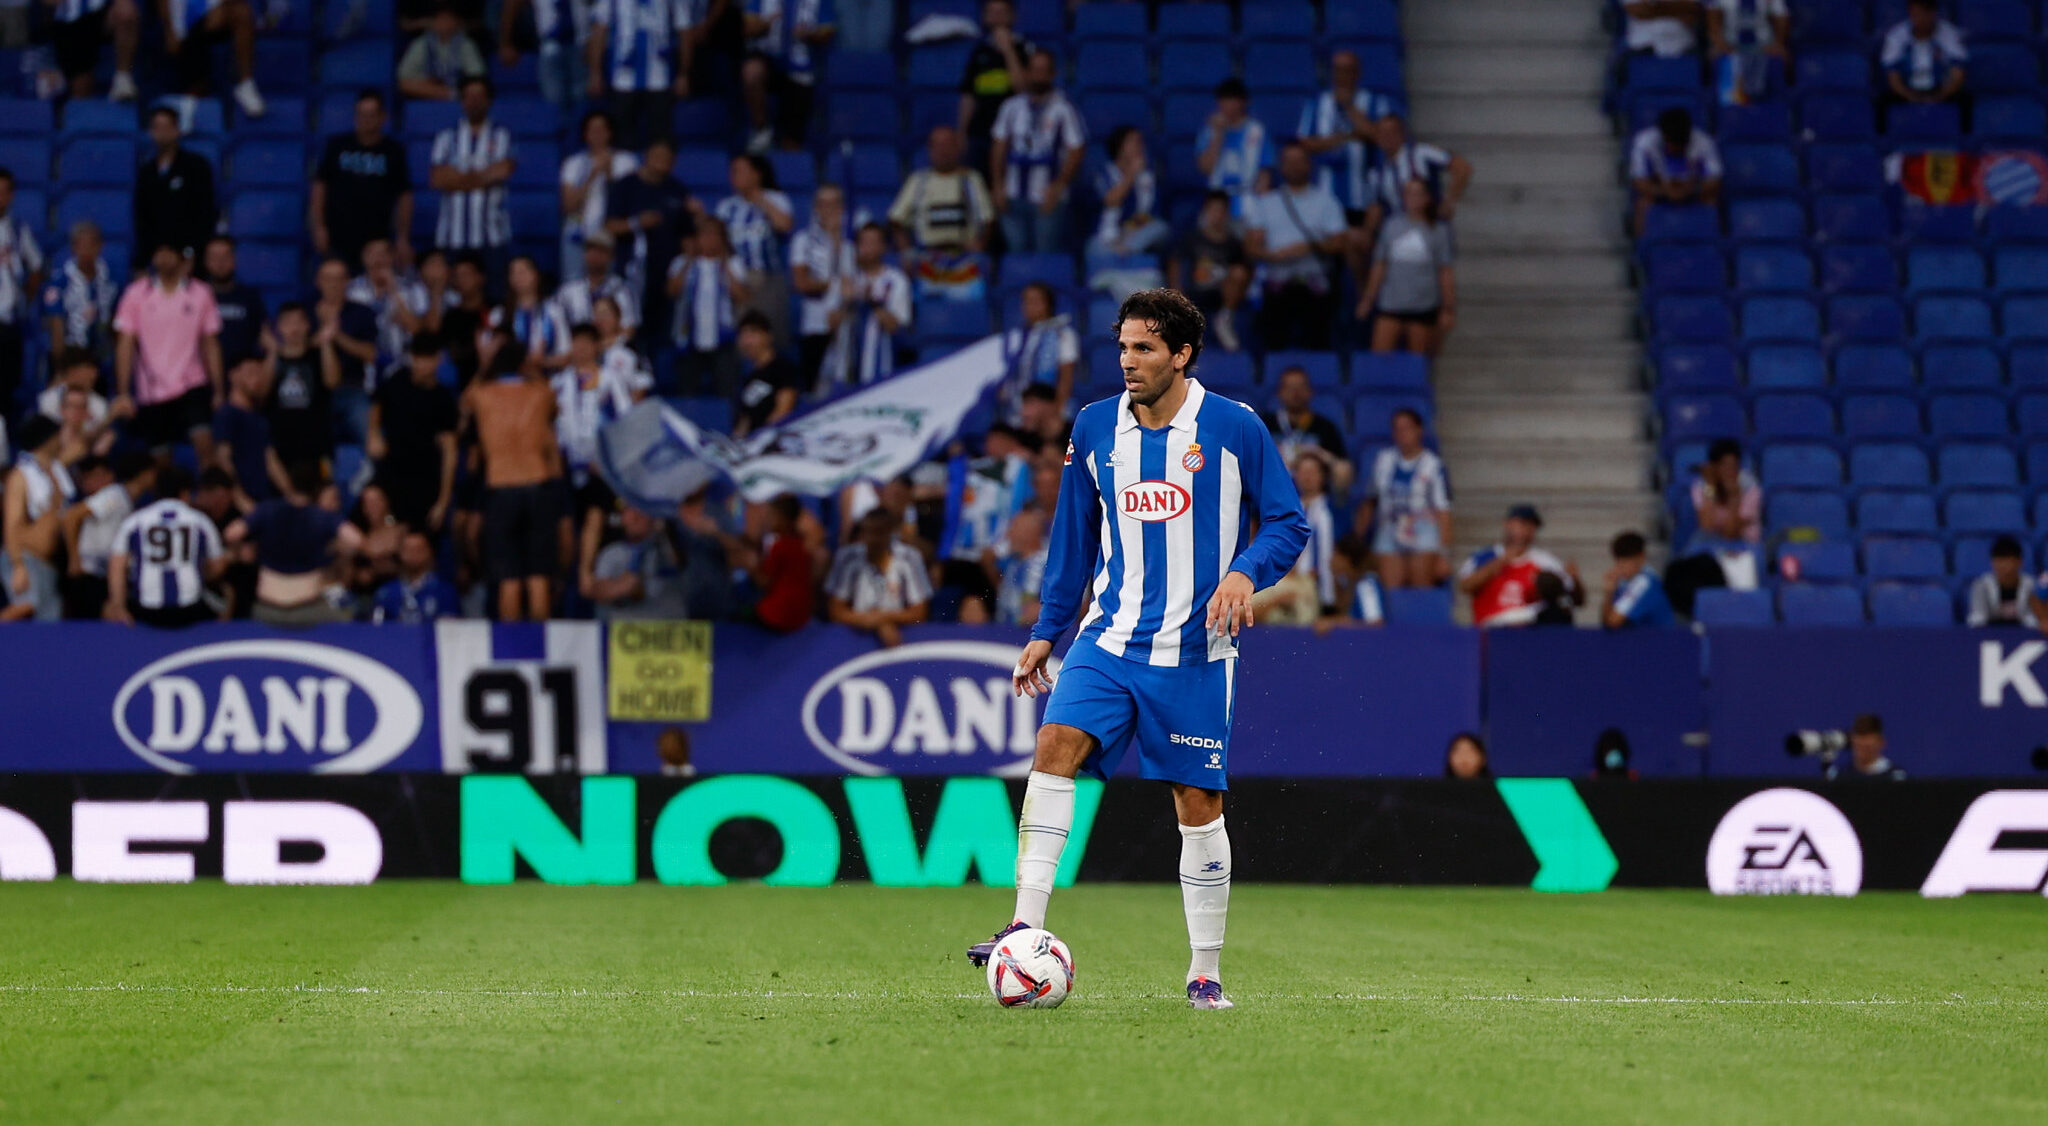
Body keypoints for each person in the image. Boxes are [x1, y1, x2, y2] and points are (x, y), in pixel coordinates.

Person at [970, 288, 1310, 1012]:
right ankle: (1024, 925)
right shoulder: (1094, 427)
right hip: (1108, 639)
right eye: (1123, 346)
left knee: (1197, 804)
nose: (1128, 360)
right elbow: (1072, 543)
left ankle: (1204, 971)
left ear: (1181, 354)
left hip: (1194, 652)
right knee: (1054, 743)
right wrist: (1044, 632)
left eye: (1145, 348)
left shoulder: (1232, 427)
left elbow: (1287, 521)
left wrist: (1246, 572)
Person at [466, 337, 564, 620]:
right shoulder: (540, 393)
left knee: (509, 579)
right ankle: (539, 648)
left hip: (501, 487)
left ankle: (512, 648)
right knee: (537, 577)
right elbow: (553, 407)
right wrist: (532, 366)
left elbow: (464, 402)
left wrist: (485, 364)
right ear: (524, 363)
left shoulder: (483, 395)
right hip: (538, 484)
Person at [113, 242, 223, 467]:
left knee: (205, 446)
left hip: (193, 384)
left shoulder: (201, 293)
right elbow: (125, 345)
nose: (164, 258)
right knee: (161, 461)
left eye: (169, 253)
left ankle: (207, 499)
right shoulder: (136, 293)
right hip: (152, 389)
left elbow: (210, 343)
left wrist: (219, 389)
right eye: (159, 253)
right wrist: (124, 391)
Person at [224, 461, 363, 625]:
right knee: (349, 617)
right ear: (316, 489)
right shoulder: (321, 517)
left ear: (289, 483)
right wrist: (333, 548)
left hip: (266, 609)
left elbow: (231, 534)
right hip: (308, 610)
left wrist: (243, 552)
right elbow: (357, 541)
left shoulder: (267, 510)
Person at [1244, 142, 1347, 351]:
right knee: (1272, 332)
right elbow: (1252, 246)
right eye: (1289, 161)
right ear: (1282, 166)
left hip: (1314, 283)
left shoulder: (1326, 202)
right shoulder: (1267, 203)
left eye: (1299, 161)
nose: (1294, 166)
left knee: (1318, 336)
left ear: (1309, 165)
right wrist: (1273, 255)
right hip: (1278, 283)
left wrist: (1308, 247)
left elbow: (1340, 243)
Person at [104, 464, 226, 627]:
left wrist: (118, 605)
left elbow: (116, 565)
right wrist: (197, 572)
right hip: (189, 608)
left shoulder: (134, 521)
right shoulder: (200, 522)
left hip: (146, 609)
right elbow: (218, 566)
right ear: (185, 493)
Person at [989, 50, 1085, 254]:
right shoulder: (1011, 107)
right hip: (1013, 192)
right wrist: (997, 184)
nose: (1038, 75)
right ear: (1027, 72)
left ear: (1052, 74)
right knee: (1016, 253)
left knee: (1045, 254)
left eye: (1043, 71)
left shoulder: (1063, 109)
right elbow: (999, 146)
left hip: (1047, 196)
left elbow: (1076, 150)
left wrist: (1059, 186)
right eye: (1034, 70)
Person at [605, 138, 695, 354]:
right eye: (658, 156)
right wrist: (637, 222)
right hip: (631, 271)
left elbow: (687, 235)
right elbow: (610, 225)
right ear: (646, 156)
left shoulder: (677, 189)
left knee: (662, 331)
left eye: (667, 157)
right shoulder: (626, 186)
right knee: (632, 325)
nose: (662, 161)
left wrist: (684, 267)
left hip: (666, 272)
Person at [312, 90, 416, 270]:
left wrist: (402, 237)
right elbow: (320, 187)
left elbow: (405, 196)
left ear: (383, 117)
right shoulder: (337, 146)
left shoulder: (393, 151)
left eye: (371, 115)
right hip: (338, 237)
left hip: (377, 240)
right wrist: (319, 227)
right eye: (361, 114)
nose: (366, 119)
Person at [371, 332, 460, 534]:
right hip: (391, 471)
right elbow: (377, 405)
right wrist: (373, 434)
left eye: (427, 359)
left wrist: (443, 502)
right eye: (417, 358)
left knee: (414, 540)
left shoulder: (443, 399)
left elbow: (450, 452)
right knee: (372, 500)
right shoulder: (398, 380)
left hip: (423, 479)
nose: (421, 365)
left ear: (438, 360)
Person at [1358, 179, 1456, 356]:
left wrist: (1447, 307)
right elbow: (1380, 264)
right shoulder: (1391, 226)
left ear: (1426, 198)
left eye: (1418, 194)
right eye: (1409, 193)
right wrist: (1368, 299)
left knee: (1417, 361)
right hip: (1391, 304)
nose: (1413, 199)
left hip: (1423, 306)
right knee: (1379, 358)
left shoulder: (1437, 230)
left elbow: (1444, 271)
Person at [430, 77, 516, 273]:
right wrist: (484, 177)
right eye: (469, 96)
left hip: (492, 236)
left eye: (479, 96)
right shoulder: (446, 136)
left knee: (494, 299)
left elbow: (503, 171)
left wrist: (456, 179)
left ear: (489, 100)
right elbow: (437, 179)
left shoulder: (502, 135)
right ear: (462, 100)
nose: (474, 101)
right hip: (452, 236)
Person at [552, 322, 641, 512]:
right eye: (576, 342)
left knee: (596, 515)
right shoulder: (558, 383)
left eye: (586, 342)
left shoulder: (610, 379)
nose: (581, 348)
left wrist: (610, 459)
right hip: (565, 465)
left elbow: (625, 418)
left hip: (599, 465)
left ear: (597, 346)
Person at [1297, 50, 1390, 232]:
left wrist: (1349, 107)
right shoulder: (1317, 103)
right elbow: (1305, 144)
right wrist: (1347, 137)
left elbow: (1381, 138)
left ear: (1357, 73)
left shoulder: (1374, 102)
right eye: (1338, 70)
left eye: (1347, 70)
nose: (1342, 76)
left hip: (1362, 196)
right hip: (1325, 194)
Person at [1360, 409, 1449, 590]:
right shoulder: (1383, 461)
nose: (1403, 434)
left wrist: (1444, 553)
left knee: (1421, 586)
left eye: (1407, 428)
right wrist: (1358, 539)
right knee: (1391, 590)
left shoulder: (1433, 465)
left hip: (1422, 527)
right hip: (1390, 526)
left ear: (1419, 430)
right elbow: (1370, 501)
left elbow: (1443, 511)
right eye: (1398, 429)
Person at [587, 0, 692, 150]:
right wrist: (595, 73)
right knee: (621, 140)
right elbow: (599, 31)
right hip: (622, 80)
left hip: (659, 80)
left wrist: (683, 73)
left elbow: (685, 31)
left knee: (661, 139)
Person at [61, 450, 152, 619]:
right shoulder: (113, 496)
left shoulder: (126, 499)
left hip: (104, 575)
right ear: (145, 474)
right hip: (91, 576)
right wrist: (74, 559)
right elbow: (71, 517)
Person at [716, 154, 795, 348]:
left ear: (756, 174)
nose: (733, 176)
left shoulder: (776, 199)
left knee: (770, 338)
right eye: (732, 171)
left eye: (739, 171)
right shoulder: (726, 207)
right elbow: (718, 244)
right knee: (741, 339)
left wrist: (758, 198)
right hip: (735, 279)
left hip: (767, 278)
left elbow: (785, 225)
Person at [1457, 504, 1581, 627]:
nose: (1525, 531)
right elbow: (1465, 586)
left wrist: (1573, 579)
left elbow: (1572, 596)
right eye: (1521, 524)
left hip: (1529, 630)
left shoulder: (1545, 561)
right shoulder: (1483, 556)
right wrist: (1500, 562)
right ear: (1507, 524)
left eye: (1531, 527)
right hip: (1490, 632)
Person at [2, 416, 74, 621]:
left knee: (48, 622)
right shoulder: (20, 476)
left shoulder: (56, 471)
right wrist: (18, 566)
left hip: (49, 564)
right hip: (25, 558)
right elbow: (12, 523)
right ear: (48, 438)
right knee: (24, 606)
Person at [826, 506, 932, 647]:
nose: (873, 538)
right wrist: (874, 622)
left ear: (891, 532)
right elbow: (836, 610)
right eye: (869, 532)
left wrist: (884, 618)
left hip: (899, 636)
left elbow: (919, 612)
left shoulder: (910, 557)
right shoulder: (847, 557)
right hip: (855, 636)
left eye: (879, 532)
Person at [890, 126, 996, 266]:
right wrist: (907, 252)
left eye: (948, 145)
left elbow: (988, 219)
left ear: (957, 148)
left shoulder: (971, 179)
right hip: (927, 258)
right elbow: (896, 220)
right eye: (938, 146)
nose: (943, 151)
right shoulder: (918, 180)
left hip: (965, 258)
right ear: (930, 150)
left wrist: (980, 245)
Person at [741, 0, 837, 153]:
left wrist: (810, 35)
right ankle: (761, 129)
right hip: (767, 59)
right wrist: (764, 25)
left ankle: (789, 161)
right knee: (752, 71)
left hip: (800, 68)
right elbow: (746, 28)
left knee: (792, 143)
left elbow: (828, 31)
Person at [1254, 451, 1337, 626]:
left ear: (1322, 477)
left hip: (1310, 583)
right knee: (1261, 608)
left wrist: (1328, 601)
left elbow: (1330, 559)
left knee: (1289, 611)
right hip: (1283, 579)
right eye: (1303, 472)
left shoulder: (1331, 511)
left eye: (1313, 472)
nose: (1307, 477)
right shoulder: (1286, 508)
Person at [667, 215, 746, 397]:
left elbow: (740, 295)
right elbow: (672, 291)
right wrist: (689, 258)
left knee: (727, 392)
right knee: (687, 392)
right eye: (704, 234)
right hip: (688, 339)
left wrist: (724, 262)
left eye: (714, 234)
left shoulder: (734, 263)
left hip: (723, 339)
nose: (709, 239)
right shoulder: (680, 263)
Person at [1086, 126, 1170, 295]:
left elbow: (1149, 215)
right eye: (1134, 142)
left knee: (1162, 228)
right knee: (1096, 248)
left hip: (1135, 238)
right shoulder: (1104, 173)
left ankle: (1125, 257)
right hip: (1106, 240)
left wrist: (1129, 235)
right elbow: (1112, 200)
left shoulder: (1147, 177)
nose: (1140, 146)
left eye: (1140, 142)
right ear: (1119, 147)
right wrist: (1131, 175)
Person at [827, 222, 910, 386]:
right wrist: (846, 302)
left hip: (880, 367)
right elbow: (831, 324)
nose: (867, 248)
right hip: (845, 368)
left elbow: (895, 327)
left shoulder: (896, 280)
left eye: (873, 243)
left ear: (883, 247)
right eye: (863, 243)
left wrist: (872, 301)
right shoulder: (845, 280)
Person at [956, 0, 1035, 174]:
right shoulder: (979, 52)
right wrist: (962, 131)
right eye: (992, 12)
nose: (997, 17)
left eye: (1002, 12)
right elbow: (969, 95)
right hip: (980, 133)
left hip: (1013, 132)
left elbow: (1022, 88)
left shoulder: (1024, 48)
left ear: (1012, 16)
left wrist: (1008, 51)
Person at [791, 183, 858, 389]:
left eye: (834, 204)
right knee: (814, 385)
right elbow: (802, 283)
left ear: (842, 208)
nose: (828, 209)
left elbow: (859, 283)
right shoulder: (803, 240)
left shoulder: (853, 243)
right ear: (816, 208)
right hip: (815, 323)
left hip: (847, 322)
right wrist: (836, 284)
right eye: (823, 204)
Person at [134, 107, 218, 266]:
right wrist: (147, 257)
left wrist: (191, 251)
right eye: (157, 127)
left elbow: (205, 213)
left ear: (177, 130)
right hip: (157, 258)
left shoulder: (196, 166)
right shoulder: (146, 172)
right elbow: (142, 218)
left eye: (166, 127)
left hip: (190, 258)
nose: (161, 133)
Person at [1168, 190, 1249, 353]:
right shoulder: (1192, 238)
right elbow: (1175, 262)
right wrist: (1176, 292)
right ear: (1205, 211)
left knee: (1240, 272)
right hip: (1194, 294)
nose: (1216, 215)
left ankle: (1224, 319)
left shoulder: (1233, 243)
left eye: (1221, 210)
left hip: (1222, 296)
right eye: (1213, 210)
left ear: (1227, 214)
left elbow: (1244, 274)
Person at [558, 110, 639, 273]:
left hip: (611, 238)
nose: (597, 135)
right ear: (585, 135)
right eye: (592, 130)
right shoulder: (573, 164)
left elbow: (628, 204)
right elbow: (568, 207)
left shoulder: (627, 162)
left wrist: (609, 175)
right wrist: (592, 176)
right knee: (574, 287)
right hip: (578, 235)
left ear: (610, 133)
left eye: (602, 130)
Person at [1364, 116, 1472, 237]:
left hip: (1430, 225)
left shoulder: (1421, 153)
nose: (1387, 137)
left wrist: (1449, 201)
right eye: (1383, 133)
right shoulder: (1376, 173)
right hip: (1399, 230)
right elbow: (1376, 208)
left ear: (1402, 134)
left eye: (1392, 132)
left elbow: (1462, 167)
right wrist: (1367, 234)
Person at [1629, 107, 1723, 237]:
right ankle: (1643, 247)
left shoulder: (1704, 143)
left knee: (1710, 201)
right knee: (1644, 203)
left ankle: (1709, 244)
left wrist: (1691, 190)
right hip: (1659, 192)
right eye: (1672, 145)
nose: (1676, 149)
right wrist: (1666, 192)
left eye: (1681, 146)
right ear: (1663, 136)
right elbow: (1639, 181)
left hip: (1692, 191)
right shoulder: (1644, 143)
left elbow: (1715, 180)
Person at [1262, 365, 1353, 497]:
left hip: (1316, 501)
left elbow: (1344, 475)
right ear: (1279, 393)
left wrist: (1321, 455)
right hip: (1272, 498)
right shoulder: (1265, 425)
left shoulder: (1326, 427)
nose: (1295, 393)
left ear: (1310, 391)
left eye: (1300, 387)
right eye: (1290, 388)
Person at [163, 0, 267, 115]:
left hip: (213, 16)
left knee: (241, 12)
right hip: (181, 23)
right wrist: (170, 30)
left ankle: (245, 84)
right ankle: (191, 102)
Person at [266, 303, 335, 472]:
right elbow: (262, 390)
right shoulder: (274, 360)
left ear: (308, 325)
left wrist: (326, 343)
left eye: (299, 322)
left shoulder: (318, 355)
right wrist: (273, 352)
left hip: (317, 442)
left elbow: (332, 381)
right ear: (279, 328)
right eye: (288, 323)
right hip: (282, 442)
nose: (294, 328)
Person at [588, 505, 690, 619]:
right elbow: (598, 591)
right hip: (625, 627)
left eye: (641, 511)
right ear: (622, 518)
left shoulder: (666, 549)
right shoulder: (611, 554)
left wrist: (663, 535)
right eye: (629, 511)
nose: (635, 517)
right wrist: (623, 587)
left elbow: (680, 567)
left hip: (667, 627)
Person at [39, 219, 118, 365]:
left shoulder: (110, 279)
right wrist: (61, 367)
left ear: (100, 246)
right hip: (70, 353)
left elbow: (114, 320)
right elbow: (56, 325)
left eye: (91, 245)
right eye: (82, 245)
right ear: (73, 248)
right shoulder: (59, 282)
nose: (87, 251)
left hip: (99, 353)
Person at [1196, 77, 1274, 221]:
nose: (1227, 105)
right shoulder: (1208, 132)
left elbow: (1264, 175)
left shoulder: (1257, 132)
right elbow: (1206, 168)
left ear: (1243, 102)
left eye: (1232, 99)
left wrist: (1262, 210)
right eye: (1224, 100)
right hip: (1216, 199)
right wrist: (1218, 135)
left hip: (1248, 200)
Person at [213, 357, 285, 510]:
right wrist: (239, 498)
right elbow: (223, 458)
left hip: (263, 499)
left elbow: (270, 459)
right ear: (233, 375)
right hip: (238, 504)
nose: (257, 378)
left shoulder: (260, 417)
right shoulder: (227, 414)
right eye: (251, 373)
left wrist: (290, 494)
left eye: (260, 373)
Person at [1000, 282, 1077, 424]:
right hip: (1019, 408)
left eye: (1035, 301)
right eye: (1026, 301)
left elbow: (1066, 375)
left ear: (1048, 304)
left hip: (1048, 406)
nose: (1029, 306)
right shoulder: (1016, 336)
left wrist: (1057, 409)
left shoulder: (1062, 334)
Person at [497, 0, 595, 110]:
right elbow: (512, 5)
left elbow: (600, 11)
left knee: (582, 103)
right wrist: (506, 43)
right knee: (553, 104)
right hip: (550, 46)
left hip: (581, 46)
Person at [1882, 0, 1968, 120]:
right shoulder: (1896, 36)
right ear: (1910, 14)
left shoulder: (1950, 34)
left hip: (1939, 89)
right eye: (1916, 14)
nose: (1921, 19)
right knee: (1883, 102)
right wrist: (1909, 96)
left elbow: (1958, 74)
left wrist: (1940, 96)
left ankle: (1963, 138)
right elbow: (1892, 76)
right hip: (1907, 89)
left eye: (1925, 14)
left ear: (1934, 13)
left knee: (1965, 101)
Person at [0, 166, 42, 410]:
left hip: (7, 324)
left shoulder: (17, 230)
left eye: (3, 192)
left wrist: (25, 296)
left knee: (6, 389)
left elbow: (36, 267)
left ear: (11, 196)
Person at [47, 0, 141, 102]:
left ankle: (122, 79)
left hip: (102, 10)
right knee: (81, 89)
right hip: (70, 22)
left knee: (125, 11)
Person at [493, 255, 571, 371]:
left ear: (535, 275)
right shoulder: (499, 314)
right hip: (509, 382)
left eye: (522, 272)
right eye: (513, 273)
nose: (518, 277)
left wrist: (542, 362)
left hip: (547, 381)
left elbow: (566, 355)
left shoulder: (553, 311)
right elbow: (491, 357)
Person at [201, 236, 268, 371]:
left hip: (241, 376)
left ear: (234, 260)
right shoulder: (195, 297)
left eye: (225, 256)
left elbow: (263, 337)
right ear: (206, 261)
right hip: (202, 376)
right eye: (214, 257)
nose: (220, 262)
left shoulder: (250, 297)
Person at [398, 2, 488, 101]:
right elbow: (404, 75)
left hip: (458, 89)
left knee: (475, 89)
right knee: (405, 84)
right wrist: (430, 83)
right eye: (441, 19)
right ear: (434, 22)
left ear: (456, 22)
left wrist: (457, 84)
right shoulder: (421, 43)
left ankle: (451, 95)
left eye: (449, 19)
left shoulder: (466, 44)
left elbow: (477, 75)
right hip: (428, 90)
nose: (445, 24)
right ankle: (448, 95)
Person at [553, 231, 639, 334]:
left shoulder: (622, 290)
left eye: (601, 251)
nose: (595, 256)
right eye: (590, 250)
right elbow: (557, 326)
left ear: (611, 256)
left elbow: (629, 328)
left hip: (611, 347)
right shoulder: (568, 290)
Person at [732, 312, 801, 438]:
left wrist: (764, 436)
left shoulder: (783, 368)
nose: (747, 341)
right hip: (752, 446)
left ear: (767, 336)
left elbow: (784, 410)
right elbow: (745, 419)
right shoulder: (747, 377)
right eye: (743, 335)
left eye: (753, 334)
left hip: (774, 441)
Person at [1706, 0, 1788, 105]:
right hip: (1731, 43)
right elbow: (1712, 15)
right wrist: (1719, 42)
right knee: (1716, 57)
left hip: (1762, 44)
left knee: (1780, 58)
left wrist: (1778, 42)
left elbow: (1781, 15)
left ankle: (1771, 107)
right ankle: (1729, 110)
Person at [370, 528, 460, 622]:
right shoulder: (386, 592)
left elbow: (450, 630)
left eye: (419, 549)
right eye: (408, 550)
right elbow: (377, 628)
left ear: (430, 552)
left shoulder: (445, 591)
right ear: (400, 553)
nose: (413, 554)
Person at [1689, 437, 1761, 553]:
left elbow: (1731, 532)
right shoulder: (1702, 486)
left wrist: (1734, 496)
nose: (1730, 472)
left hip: (1744, 541)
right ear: (1714, 468)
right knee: (1695, 547)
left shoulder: (1750, 488)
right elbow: (1707, 526)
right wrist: (1711, 487)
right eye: (1724, 466)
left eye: (1734, 467)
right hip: (1713, 540)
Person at [1966, 535, 2045, 629]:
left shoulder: (2031, 586)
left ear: (2019, 562)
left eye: (2007, 561)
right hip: (1990, 634)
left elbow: (2033, 618)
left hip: (2024, 634)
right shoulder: (1981, 585)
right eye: (1998, 561)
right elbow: (1977, 616)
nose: (2002, 566)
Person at [1603, 530, 1675, 629]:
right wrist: (1609, 594)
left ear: (1641, 557)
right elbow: (1606, 622)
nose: (1621, 567)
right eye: (1618, 561)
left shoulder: (1644, 583)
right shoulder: (1623, 584)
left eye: (1626, 561)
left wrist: (1609, 594)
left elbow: (1613, 622)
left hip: (1661, 642)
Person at [991, 503, 1046, 626]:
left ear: (1029, 533)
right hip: (1003, 633)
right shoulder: (1012, 565)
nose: (1008, 534)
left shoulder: (1051, 564)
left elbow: (1080, 603)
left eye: (1014, 527)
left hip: (1034, 636)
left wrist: (1044, 610)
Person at [1825, 714, 1905, 782]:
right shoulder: (1840, 776)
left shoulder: (1895, 777)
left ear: (1881, 742)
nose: (1863, 743)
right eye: (1859, 743)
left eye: (1867, 746)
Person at [1623, 0, 1700, 59]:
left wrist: (1656, 6)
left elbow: (1695, 7)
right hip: (1644, 47)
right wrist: (1677, 9)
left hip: (1685, 46)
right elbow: (1638, 10)